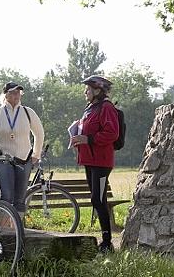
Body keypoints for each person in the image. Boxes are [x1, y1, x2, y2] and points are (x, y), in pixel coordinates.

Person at [69, 75, 120, 254]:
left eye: (88, 89)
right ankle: (106, 241)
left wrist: (88, 138)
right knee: (97, 199)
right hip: (90, 161)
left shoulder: (106, 107)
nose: (85, 92)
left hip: (101, 162)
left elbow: (112, 133)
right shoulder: (91, 108)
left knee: (98, 199)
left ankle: (107, 243)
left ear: (97, 90)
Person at [0, 81, 44, 219]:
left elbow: (39, 133)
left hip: (24, 159)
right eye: (13, 92)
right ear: (5, 95)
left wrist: (36, 155)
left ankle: (18, 232)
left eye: (18, 92)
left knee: (20, 199)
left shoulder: (28, 112)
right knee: (7, 195)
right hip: (2, 160)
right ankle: (4, 231)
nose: (16, 95)